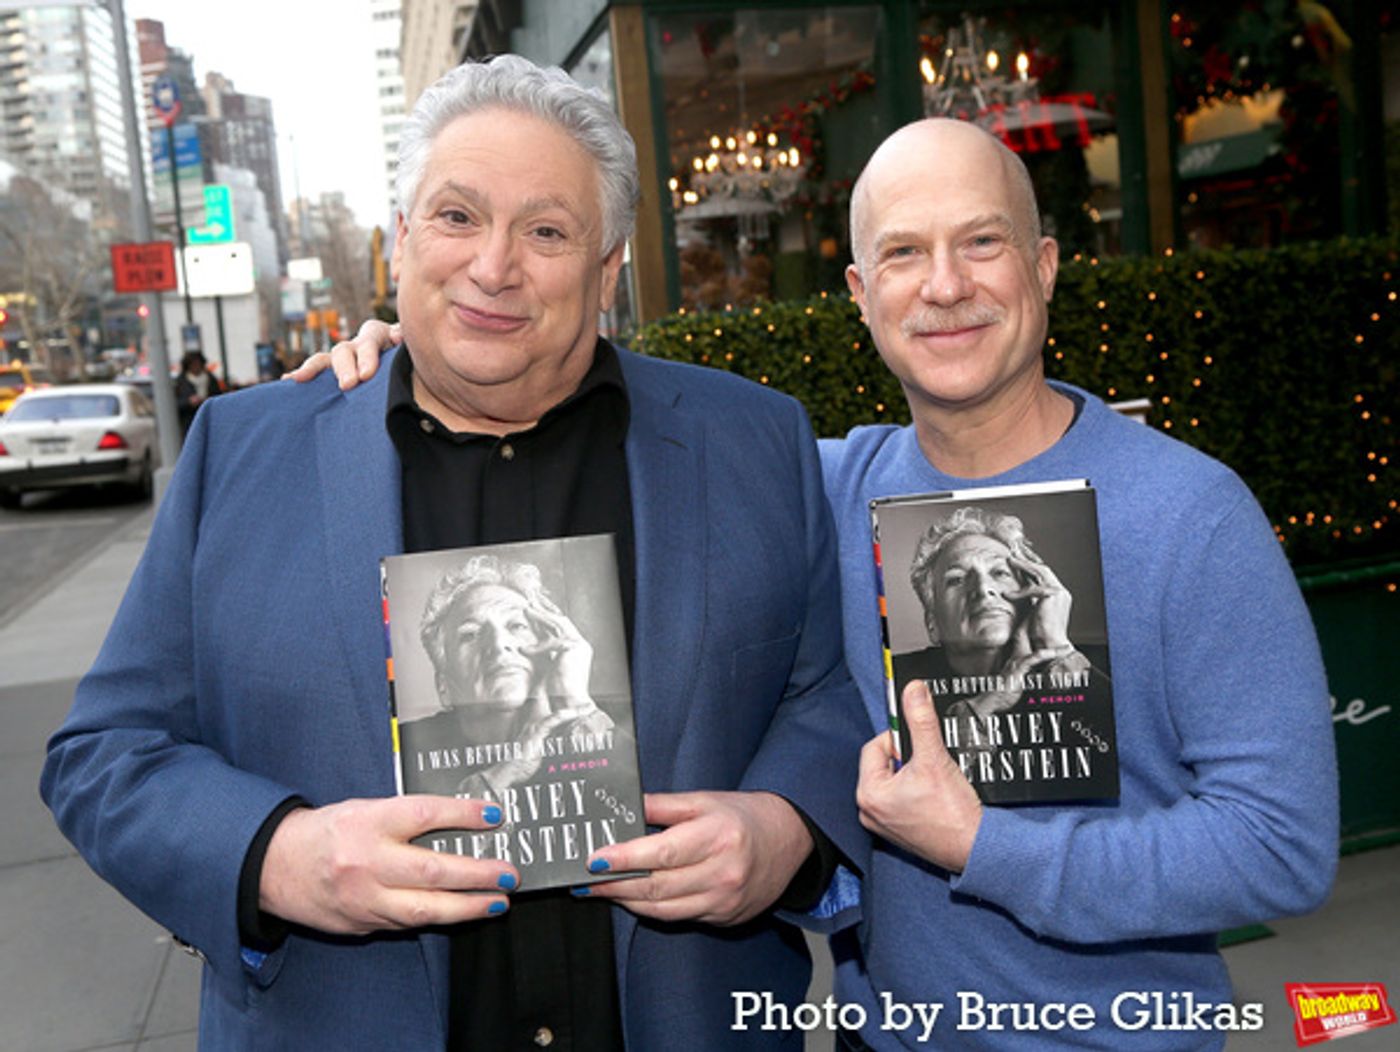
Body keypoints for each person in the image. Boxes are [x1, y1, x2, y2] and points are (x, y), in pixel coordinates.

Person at [316, 116, 1339, 1050]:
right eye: (901, 251)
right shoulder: (825, 487)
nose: (943, 285)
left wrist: (984, 846)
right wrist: (427, 355)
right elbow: (608, 434)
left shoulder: (1186, 512)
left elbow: (1280, 846)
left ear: (1044, 266)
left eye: (980, 242)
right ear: (858, 292)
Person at [42, 55, 868, 1051]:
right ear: (400, 239)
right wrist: (277, 854)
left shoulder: (752, 442)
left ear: (607, 270)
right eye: (456, 216)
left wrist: (784, 829)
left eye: (547, 230)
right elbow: (104, 755)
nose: (493, 265)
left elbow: (825, 700)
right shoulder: (242, 453)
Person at [406, 552, 616, 796]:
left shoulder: (607, 723)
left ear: (550, 651)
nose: (497, 645)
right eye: (470, 635)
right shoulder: (410, 747)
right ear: (444, 687)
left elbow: (630, 811)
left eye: (516, 626)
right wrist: (505, 772)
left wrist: (576, 705)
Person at [895, 504, 1097, 721]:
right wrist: (987, 703)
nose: (983, 589)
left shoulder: (1095, 666)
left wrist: (1058, 649)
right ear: (932, 623)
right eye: (957, 579)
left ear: (1032, 596)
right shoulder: (900, 683)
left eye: (999, 572)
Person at [174, 350, 225, 434]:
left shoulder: (211, 379)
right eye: (192, 364)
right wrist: (188, 402)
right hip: (189, 421)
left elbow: (219, 397)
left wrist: (207, 400)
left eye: (198, 364)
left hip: (210, 420)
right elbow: (174, 403)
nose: (196, 366)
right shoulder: (180, 382)